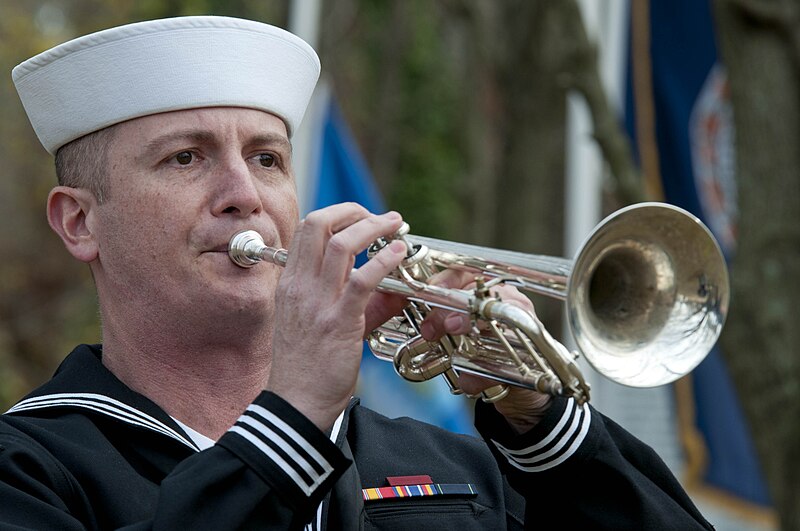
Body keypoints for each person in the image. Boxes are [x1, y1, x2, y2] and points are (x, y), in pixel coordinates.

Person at [1, 15, 713, 530]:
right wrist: (292, 420)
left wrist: (545, 429)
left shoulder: (447, 463)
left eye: (267, 158)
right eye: (184, 157)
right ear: (78, 221)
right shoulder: (29, 466)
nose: (244, 193)